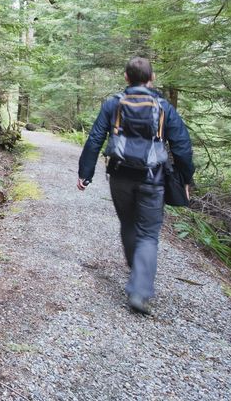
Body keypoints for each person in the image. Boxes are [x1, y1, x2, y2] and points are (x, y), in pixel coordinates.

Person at [76, 56, 194, 315]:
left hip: (120, 176)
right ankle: (139, 290)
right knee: (149, 234)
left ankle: (136, 271)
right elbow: (182, 146)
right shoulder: (163, 107)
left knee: (128, 224)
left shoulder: (113, 104)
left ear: (127, 78)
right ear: (151, 79)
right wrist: (186, 179)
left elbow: (95, 138)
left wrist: (85, 173)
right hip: (153, 178)